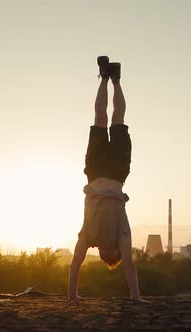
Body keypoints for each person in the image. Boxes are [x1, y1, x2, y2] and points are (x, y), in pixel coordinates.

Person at [67, 56, 148, 303]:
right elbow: (130, 266)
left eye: (105, 256)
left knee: (100, 120)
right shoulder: (121, 238)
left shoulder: (89, 237)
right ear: (115, 253)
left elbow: (75, 265)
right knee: (118, 120)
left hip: (95, 171)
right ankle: (116, 80)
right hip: (116, 173)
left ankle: (105, 77)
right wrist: (135, 298)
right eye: (110, 257)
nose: (105, 255)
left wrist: (73, 296)